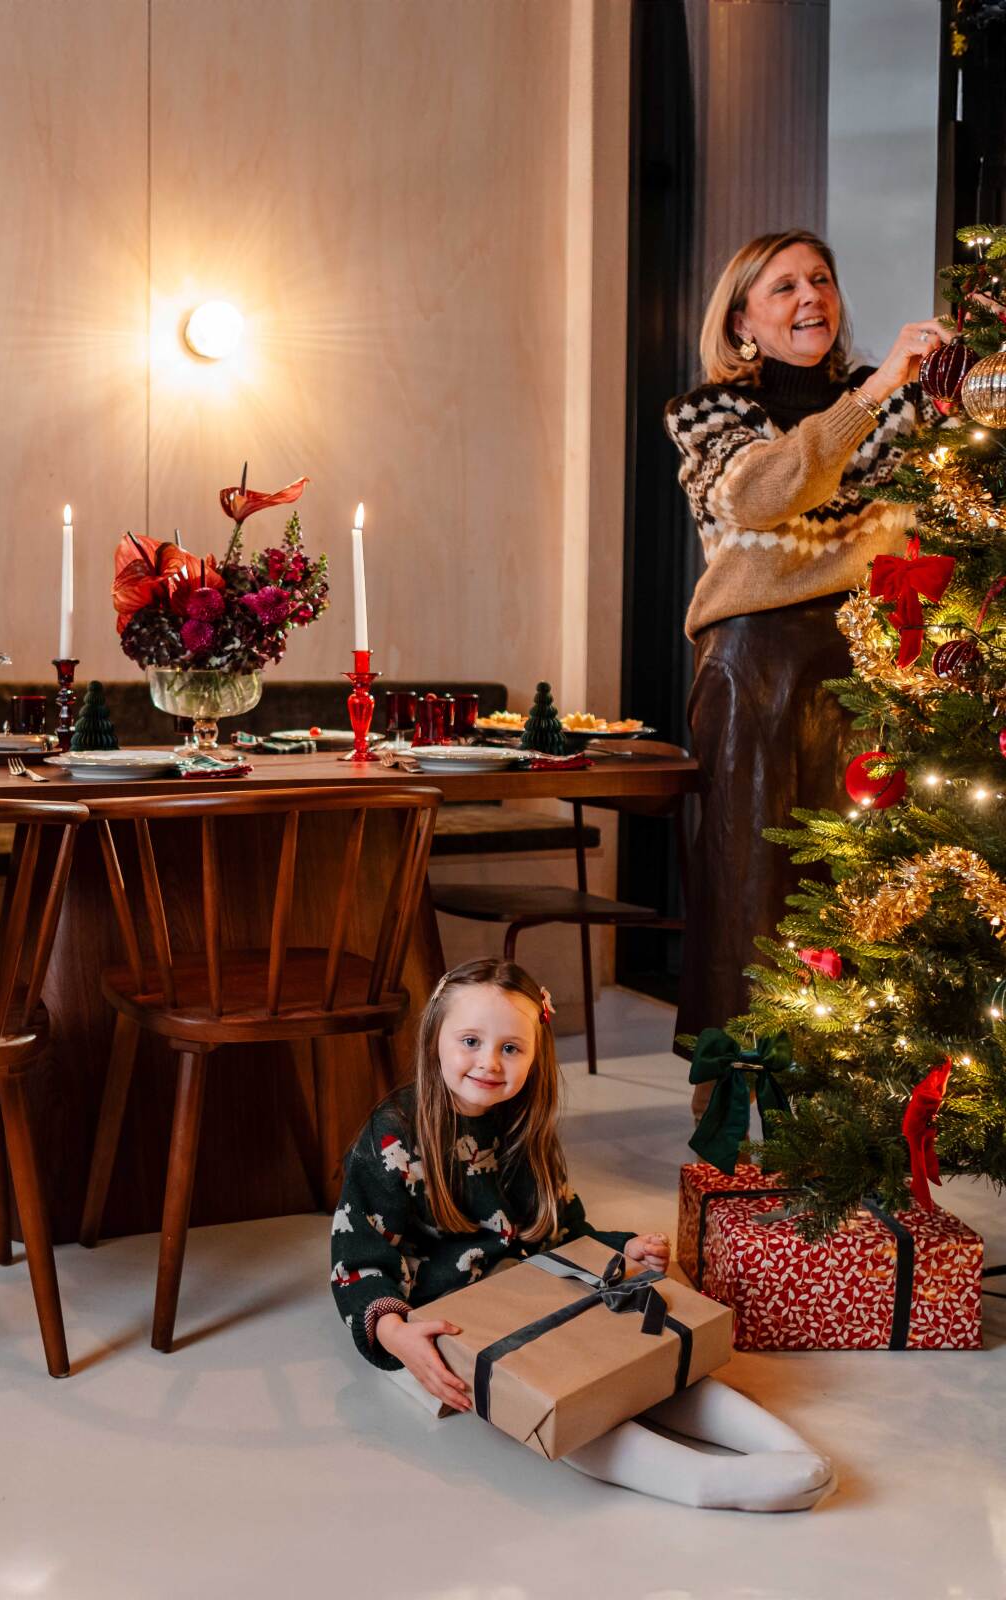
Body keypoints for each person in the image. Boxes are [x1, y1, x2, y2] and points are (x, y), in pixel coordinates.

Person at [331, 959, 834, 1512]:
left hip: (533, 1287)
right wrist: (397, 1334)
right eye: (470, 1040)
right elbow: (358, 1261)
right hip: (446, 1316)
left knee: (635, 1358)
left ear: (534, 1055)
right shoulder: (393, 1135)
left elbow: (563, 1229)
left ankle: (791, 1450)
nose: (489, 1063)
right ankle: (700, 1481)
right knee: (572, 1401)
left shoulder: (522, 1123)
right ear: (434, 1041)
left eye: (510, 1049)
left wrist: (621, 1247)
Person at [665, 230, 949, 1051]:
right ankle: (735, 1081)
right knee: (748, 878)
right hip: (754, 664)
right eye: (783, 286)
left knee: (862, 878)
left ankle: (845, 1084)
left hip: (870, 655)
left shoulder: (894, 399)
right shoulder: (709, 413)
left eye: (819, 280)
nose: (809, 297)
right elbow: (761, 495)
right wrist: (873, 398)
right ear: (743, 319)